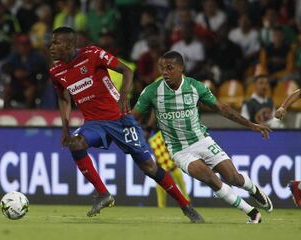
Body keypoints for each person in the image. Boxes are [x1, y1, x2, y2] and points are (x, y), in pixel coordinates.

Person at [48, 27, 203, 222]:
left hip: (119, 119)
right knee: (76, 143)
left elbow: (126, 70)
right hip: (94, 123)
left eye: (56, 42)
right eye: (51, 42)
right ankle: (103, 194)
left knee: (149, 167)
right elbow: (64, 98)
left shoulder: (92, 54)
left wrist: (123, 96)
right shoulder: (56, 71)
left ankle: (186, 206)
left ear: (69, 44)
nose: (51, 46)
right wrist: (65, 128)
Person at [132, 51, 274, 224]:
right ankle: (252, 213)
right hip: (180, 151)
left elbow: (222, 108)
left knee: (233, 177)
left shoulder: (194, 87)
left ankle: (254, 191)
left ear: (181, 68)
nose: (165, 72)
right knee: (211, 179)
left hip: (202, 141)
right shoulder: (152, 92)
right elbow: (133, 118)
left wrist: (251, 125)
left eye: (170, 68)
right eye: (162, 68)